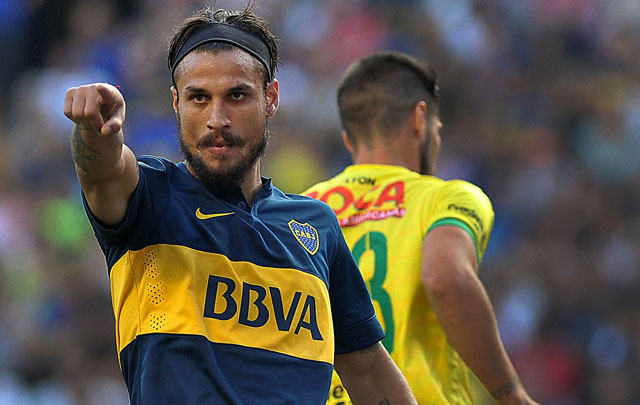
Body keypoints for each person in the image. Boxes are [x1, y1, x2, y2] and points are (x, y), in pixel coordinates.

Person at [63, 6, 416, 404]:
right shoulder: (151, 198)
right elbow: (104, 172)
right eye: (199, 97)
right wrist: (95, 131)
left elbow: (368, 369)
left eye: (237, 96)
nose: (217, 119)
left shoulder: (316, 224)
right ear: (176, 103)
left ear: (271, 98)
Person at [304, 52, 538, 405]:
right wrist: (512, 395)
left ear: (349, 139)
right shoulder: (444, 198)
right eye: (438, 130)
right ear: (420, 118)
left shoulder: (302, 210)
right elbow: (445, 278)